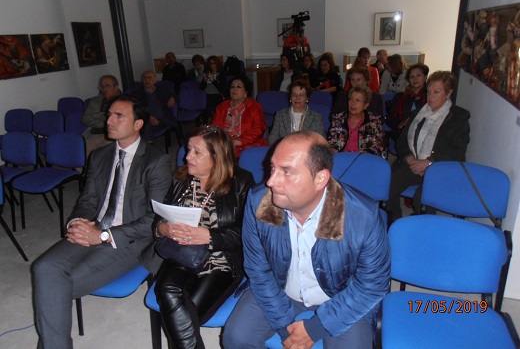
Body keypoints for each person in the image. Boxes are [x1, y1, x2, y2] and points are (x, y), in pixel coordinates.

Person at [223, 130, 390, 349]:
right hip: (279, 288)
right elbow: (258, 269)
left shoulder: (363, 216)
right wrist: (285, 326)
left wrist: (315, 328)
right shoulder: (258, 202)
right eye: (273, 168)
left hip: (340, 297)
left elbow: (372, 285)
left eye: (287, 172)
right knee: (236, 338)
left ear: (320, 178)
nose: (271, 181)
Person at [31, 95, 172, 349]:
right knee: (43, 268)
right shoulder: (99, 155)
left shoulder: (156, 160)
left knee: (56, 285)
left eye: (119, 116)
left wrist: (104, 235)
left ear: (138, 124)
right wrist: (77, 223)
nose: (109, 120)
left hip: (129, 241)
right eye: (109, 114)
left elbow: (156, 218)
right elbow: (87, 200)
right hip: (93, 228)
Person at [153, 126, 254, 348]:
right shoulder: (182, 179)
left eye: (196, 152)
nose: (187, 156)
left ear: (217, 157)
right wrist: (164, 229)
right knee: (167, 292)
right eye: (188, 149)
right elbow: (158, 220)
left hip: (222, 260)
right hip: (182, 253)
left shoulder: (241, 182)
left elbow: (249, 232)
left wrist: (209, 236)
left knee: (183, 317)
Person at [386, 71, 470, 221]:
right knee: (388, 187)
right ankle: (396, 224)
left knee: (422, 200)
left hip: (439, 168)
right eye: (429, 91)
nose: (430, 96)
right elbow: (402, 141)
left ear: (449, 93)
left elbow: (458, 153)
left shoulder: (458, 118)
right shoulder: (418, 113)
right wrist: (409, 159)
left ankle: (424, 230)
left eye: (436, 92)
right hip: (413, 163)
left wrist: (429, 162)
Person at [211, 76, 267, 158]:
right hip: (225, 144)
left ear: (246, 92)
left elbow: (258, 129)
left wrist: (239, 142)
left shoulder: (255, 107)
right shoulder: (221, 107)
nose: (234, 89)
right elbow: (215, 128)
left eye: (239, 86)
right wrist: (223, 141)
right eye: (232, 86)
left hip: (248, 145)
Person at [328, 85, 386, 157]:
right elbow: (332, 142)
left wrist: (364, 153)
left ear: (366, 105)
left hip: (362, 159)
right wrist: (332, 149)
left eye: (358, 100)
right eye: (351, 99)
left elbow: (378, 146)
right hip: (340, 158)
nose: (353, 103)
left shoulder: (373, 122)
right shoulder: (338, 119)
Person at [268, 79, 325, 145]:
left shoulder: (316, 117)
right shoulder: (280, 115)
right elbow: (272, 139)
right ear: (290, 97)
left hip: (307, 153)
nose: (297, 98)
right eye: (294, 94)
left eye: (301, 95)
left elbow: (320, 141)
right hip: (285, 151)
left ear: (307, 98)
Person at [386, 63, 429, 140]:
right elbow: (390, 118)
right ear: (408, 80)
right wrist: (399, 124)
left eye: (418, 75)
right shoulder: (400, 97)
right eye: (411, 76)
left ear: (425, 77)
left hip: (424, 134)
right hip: (402, 134)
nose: (415, 79)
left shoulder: (430, 96)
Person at [82, 74, 121, 156]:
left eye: (107, 86)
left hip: (113, 134)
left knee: (85, 149)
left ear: (116, 87)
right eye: (102, 86)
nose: (104, 89)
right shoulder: (95, 100)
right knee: (75, 145)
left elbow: (118, 122)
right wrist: (103, 121)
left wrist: (96, 117)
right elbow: (85, 119)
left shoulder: (124, 101)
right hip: (92, 131)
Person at [132, 70, 177, 142]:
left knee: (144, 124)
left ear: (155, 80)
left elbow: (177, 95)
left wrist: (173, 98)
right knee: (142, 122)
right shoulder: (137, 93)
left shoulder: (162, 90)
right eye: (145, 78)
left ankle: (147, 146)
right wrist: (149, 117)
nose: (147, 80)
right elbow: (135, 107)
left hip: (163, 118)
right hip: (147, 118)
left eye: (149, 77)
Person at [200, 55, 229, 123]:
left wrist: (213, 81)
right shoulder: (207, 74)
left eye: (214, 63)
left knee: (208, 102)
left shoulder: (221, 75)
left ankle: (211, 120)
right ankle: (206, 122)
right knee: (202, 101)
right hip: (207, 94)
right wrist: (204, 80)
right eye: (211, 64)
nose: (212, 66)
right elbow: (201, 88)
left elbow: (223, 89)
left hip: (217, 94)